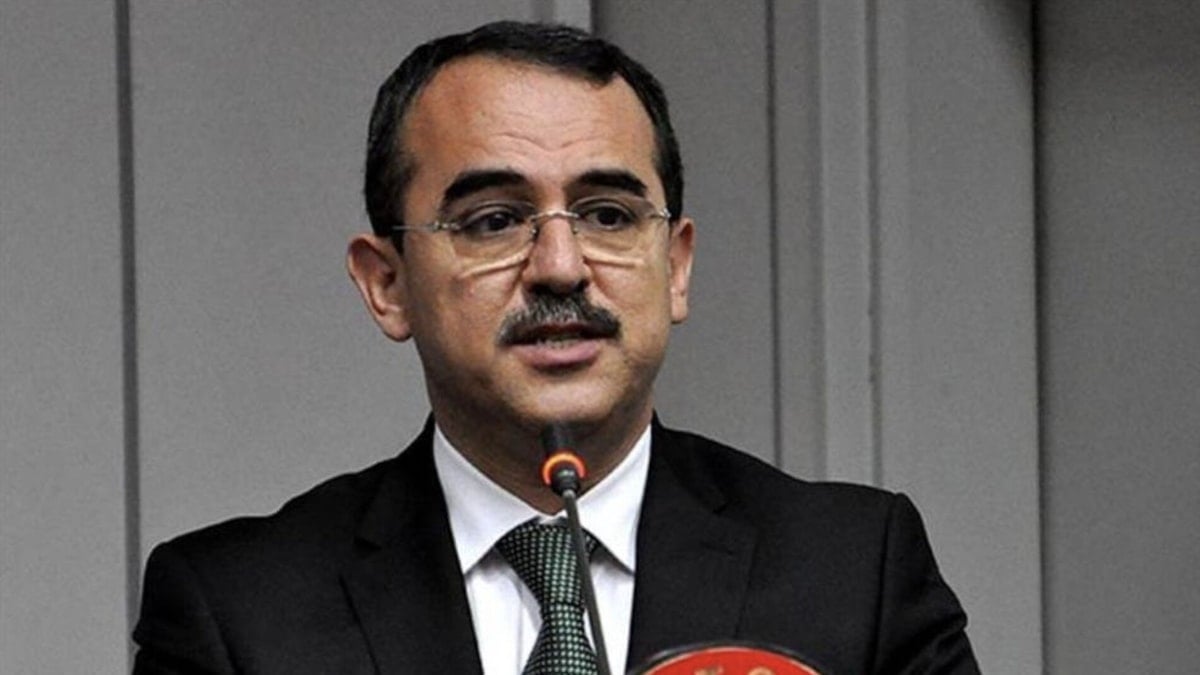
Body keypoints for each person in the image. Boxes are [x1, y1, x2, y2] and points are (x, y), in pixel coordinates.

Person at [133, 21, 978, 674]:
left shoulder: (853, 572)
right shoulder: (237, 611)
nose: (561, 266)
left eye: (608, 214)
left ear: (677, 266)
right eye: (494, 220)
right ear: (387, 283)